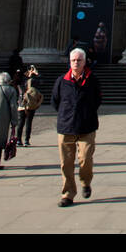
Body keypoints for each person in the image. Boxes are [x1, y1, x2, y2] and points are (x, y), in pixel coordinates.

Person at [51, 48, 102, 206]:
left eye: (79, 60)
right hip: (66, 126)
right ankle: (68, 194)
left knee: (85, 159)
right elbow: (55, 101)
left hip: (86, 126)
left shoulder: (92, 80)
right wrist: (66, 114)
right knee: (65, 163)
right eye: (73, 60)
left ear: (84, 62)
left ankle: (85, 182)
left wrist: (86, 113)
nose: (76, 62)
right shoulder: (62, 80)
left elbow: (97, 100)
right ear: (69, 62)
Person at [18, 72, 43, 146]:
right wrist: (36, 73)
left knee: (21, 123)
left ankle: (19, 140)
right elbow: (41, 80)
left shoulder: (24, 84)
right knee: (29, 123)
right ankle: (27, 140)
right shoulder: (35, 85)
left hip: (22, 106)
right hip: (31, 106)